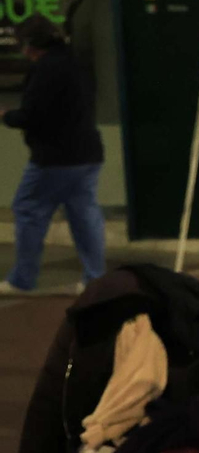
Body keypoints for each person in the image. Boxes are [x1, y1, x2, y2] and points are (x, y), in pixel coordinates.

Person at [0, 20, 104, 296]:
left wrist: (7, 116)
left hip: (55, 157)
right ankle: (95, 278)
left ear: (31, 45)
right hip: (88, 152)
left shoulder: (46, 70)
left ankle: (22, 279)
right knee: (84, 214)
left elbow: (33, 115)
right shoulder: (75, 63)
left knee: (28, 208)